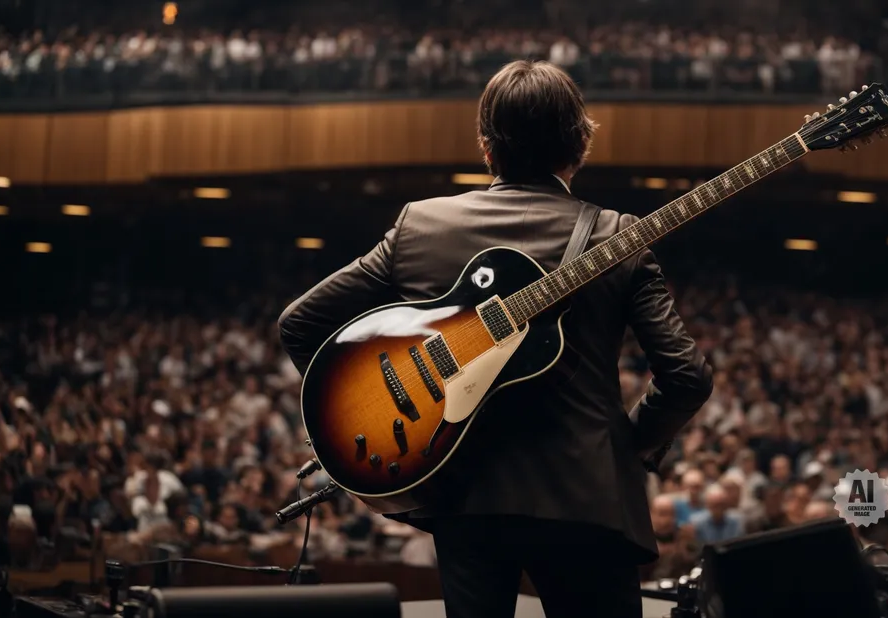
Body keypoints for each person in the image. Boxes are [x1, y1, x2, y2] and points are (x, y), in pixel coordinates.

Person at [278, 60, 713, 618]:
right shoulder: (617, 234)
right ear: (580, 144)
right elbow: (686, 377)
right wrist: (629, 445)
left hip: (466, 500)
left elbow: (299, 323)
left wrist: (353, 418)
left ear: (487, 147)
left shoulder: (421, 226)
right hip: (586, 500)